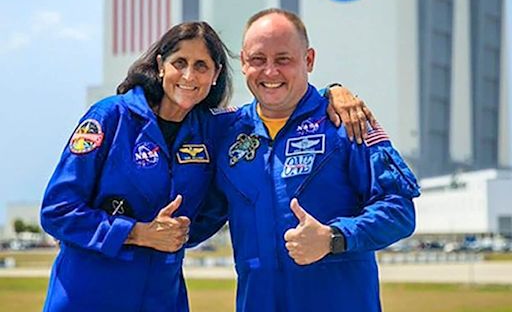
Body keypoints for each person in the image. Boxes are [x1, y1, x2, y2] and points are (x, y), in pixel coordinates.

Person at [40, 19, 373, 312]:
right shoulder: (111, 117)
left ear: (215, 75)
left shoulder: (215, 129)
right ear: (160, 66)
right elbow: (57, 210)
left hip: (162, 298)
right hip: (88, 294)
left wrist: (335, 92)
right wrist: (138, 234)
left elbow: (279, 105)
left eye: (201, 66)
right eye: (179, 62)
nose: (189, 75)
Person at [190, 9, 421, 312]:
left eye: (283, 59)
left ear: (308, 60)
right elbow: (202, 217)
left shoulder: (346, 122)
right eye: (258, 60)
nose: (270, 72)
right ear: (244, 63)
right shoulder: (227, 133)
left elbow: (399, 211)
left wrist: (333, 237)